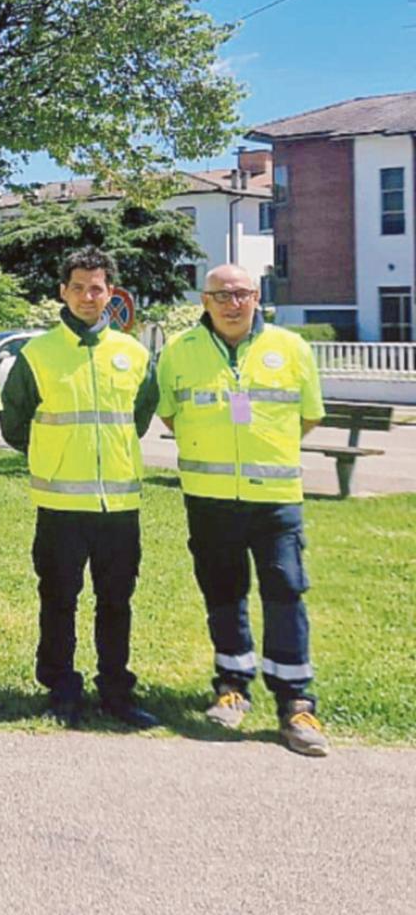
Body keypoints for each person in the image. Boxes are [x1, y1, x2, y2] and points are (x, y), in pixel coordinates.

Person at [157, 264, 330, 757]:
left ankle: (296, 703)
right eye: (221, 295)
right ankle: (231, 686)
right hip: (210, 498)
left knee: (285, 592)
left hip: (275, 500)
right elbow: (170, 414)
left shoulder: (291, 348)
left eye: (241, 294)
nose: (232, 304)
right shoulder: (179, 351)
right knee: (224, 593)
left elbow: (309, 416)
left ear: (257, 297)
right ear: (204, 301)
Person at [0, 248, 159, 730]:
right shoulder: (37, 354)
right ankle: (61, 687)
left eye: (97, 288)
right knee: (58, 599)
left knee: (116, 600)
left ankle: (116, 690)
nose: (88, 296)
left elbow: (140, 416)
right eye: (78, 287)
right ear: (62, 292)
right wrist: (53, 456)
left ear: (111, 293)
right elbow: (14, 422)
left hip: (118, 505)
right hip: (60, 504)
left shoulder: (134, 354)